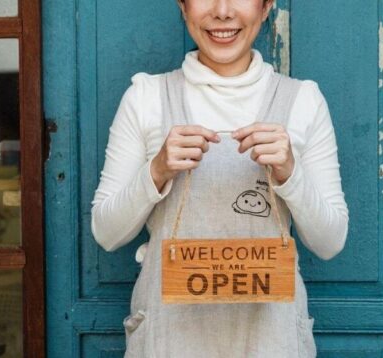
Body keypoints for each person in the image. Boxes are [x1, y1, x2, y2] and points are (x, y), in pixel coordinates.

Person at [91, 0, 349, 356]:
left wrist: (291, 172)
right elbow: (106, 233)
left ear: (266, 6)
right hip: (169, 342)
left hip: (271, 342)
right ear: (183, 7)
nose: (223, 11)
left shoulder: (303, 100)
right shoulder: (146, 98)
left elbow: (330, 241)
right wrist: (157, 169)